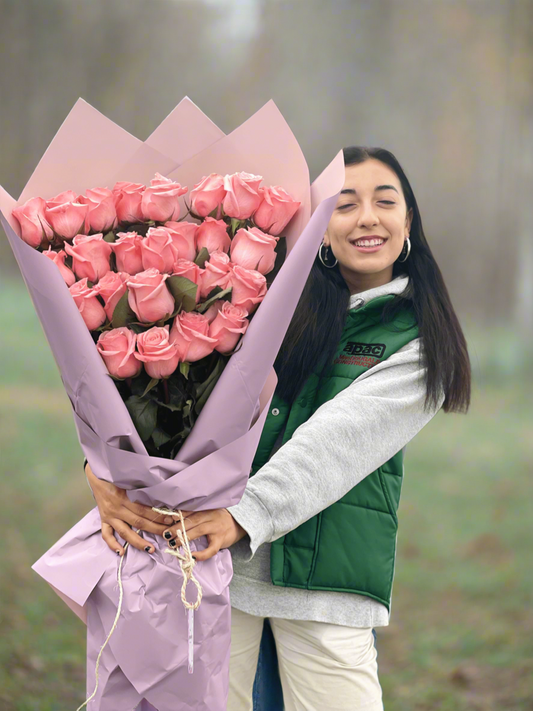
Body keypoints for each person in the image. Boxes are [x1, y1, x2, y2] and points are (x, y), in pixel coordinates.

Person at [86, 146, 471, 710]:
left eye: (385, 202)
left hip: (325, 588)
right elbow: (174, 405)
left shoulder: (419, 344)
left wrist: (246, 515)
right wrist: (104, 470)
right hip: (217, 572)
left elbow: (339, 442)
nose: (367, 217)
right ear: (318, 227)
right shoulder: (264, 307)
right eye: (344, 204)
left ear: (408, 221)